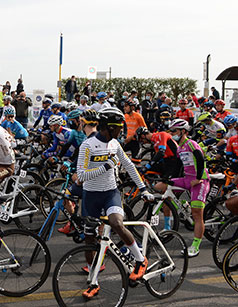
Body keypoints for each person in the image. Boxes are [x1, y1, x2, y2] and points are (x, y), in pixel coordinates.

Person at [76, 108, 152, 298]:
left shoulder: (115, 144)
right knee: (90, 239)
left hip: (111, 193)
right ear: (108, 128)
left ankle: (140, 259)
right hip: (91, 196)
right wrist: (105, 166)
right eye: (119, 128)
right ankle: (93, 282)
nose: (121, 132)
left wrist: (142, 188)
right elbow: (82, 176)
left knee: (117, 223)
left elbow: (129, 165)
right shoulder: (87, 146)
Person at [154, 119, 209, 256]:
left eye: (174, 131)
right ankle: (180, 209)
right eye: (171, 131)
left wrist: (198, 178)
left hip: (199, 181)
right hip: (187, 179)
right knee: (161, 187)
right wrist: (169, 179)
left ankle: (195, 246)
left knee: (197, 214)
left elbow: (201, 160)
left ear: (183, 131)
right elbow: (178, 166)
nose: (172, 133)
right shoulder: (180, 148)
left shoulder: (191, 144)